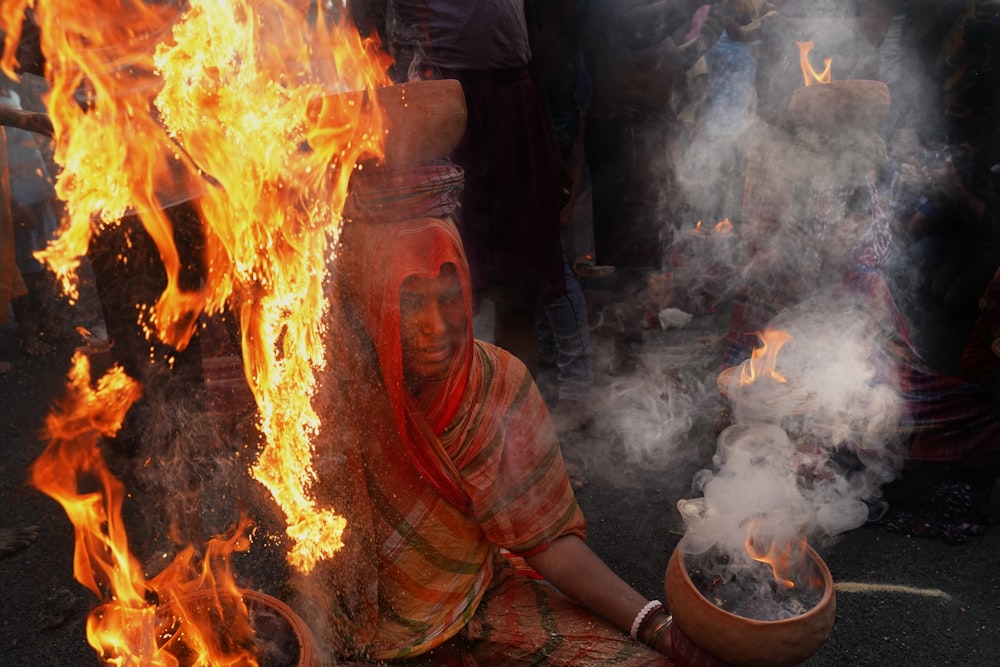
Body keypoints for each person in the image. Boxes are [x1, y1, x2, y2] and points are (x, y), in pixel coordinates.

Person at [289, 205, 674, 663]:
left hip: (476, 601)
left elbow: (547, 542)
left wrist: (655, 626)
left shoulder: (498, 383)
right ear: (372, 300)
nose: (437, 326)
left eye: (451, 296)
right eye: (411, 301)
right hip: (358, 625)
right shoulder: (327, 395)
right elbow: (312, 549)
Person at [350, 0, 568, 377]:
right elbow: (363, 28)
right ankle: (444, 420)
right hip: (437, 109)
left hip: (514, 102)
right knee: (436, 284)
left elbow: (532, 34)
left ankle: (509, 414)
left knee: (519, 289)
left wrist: (546, 135)